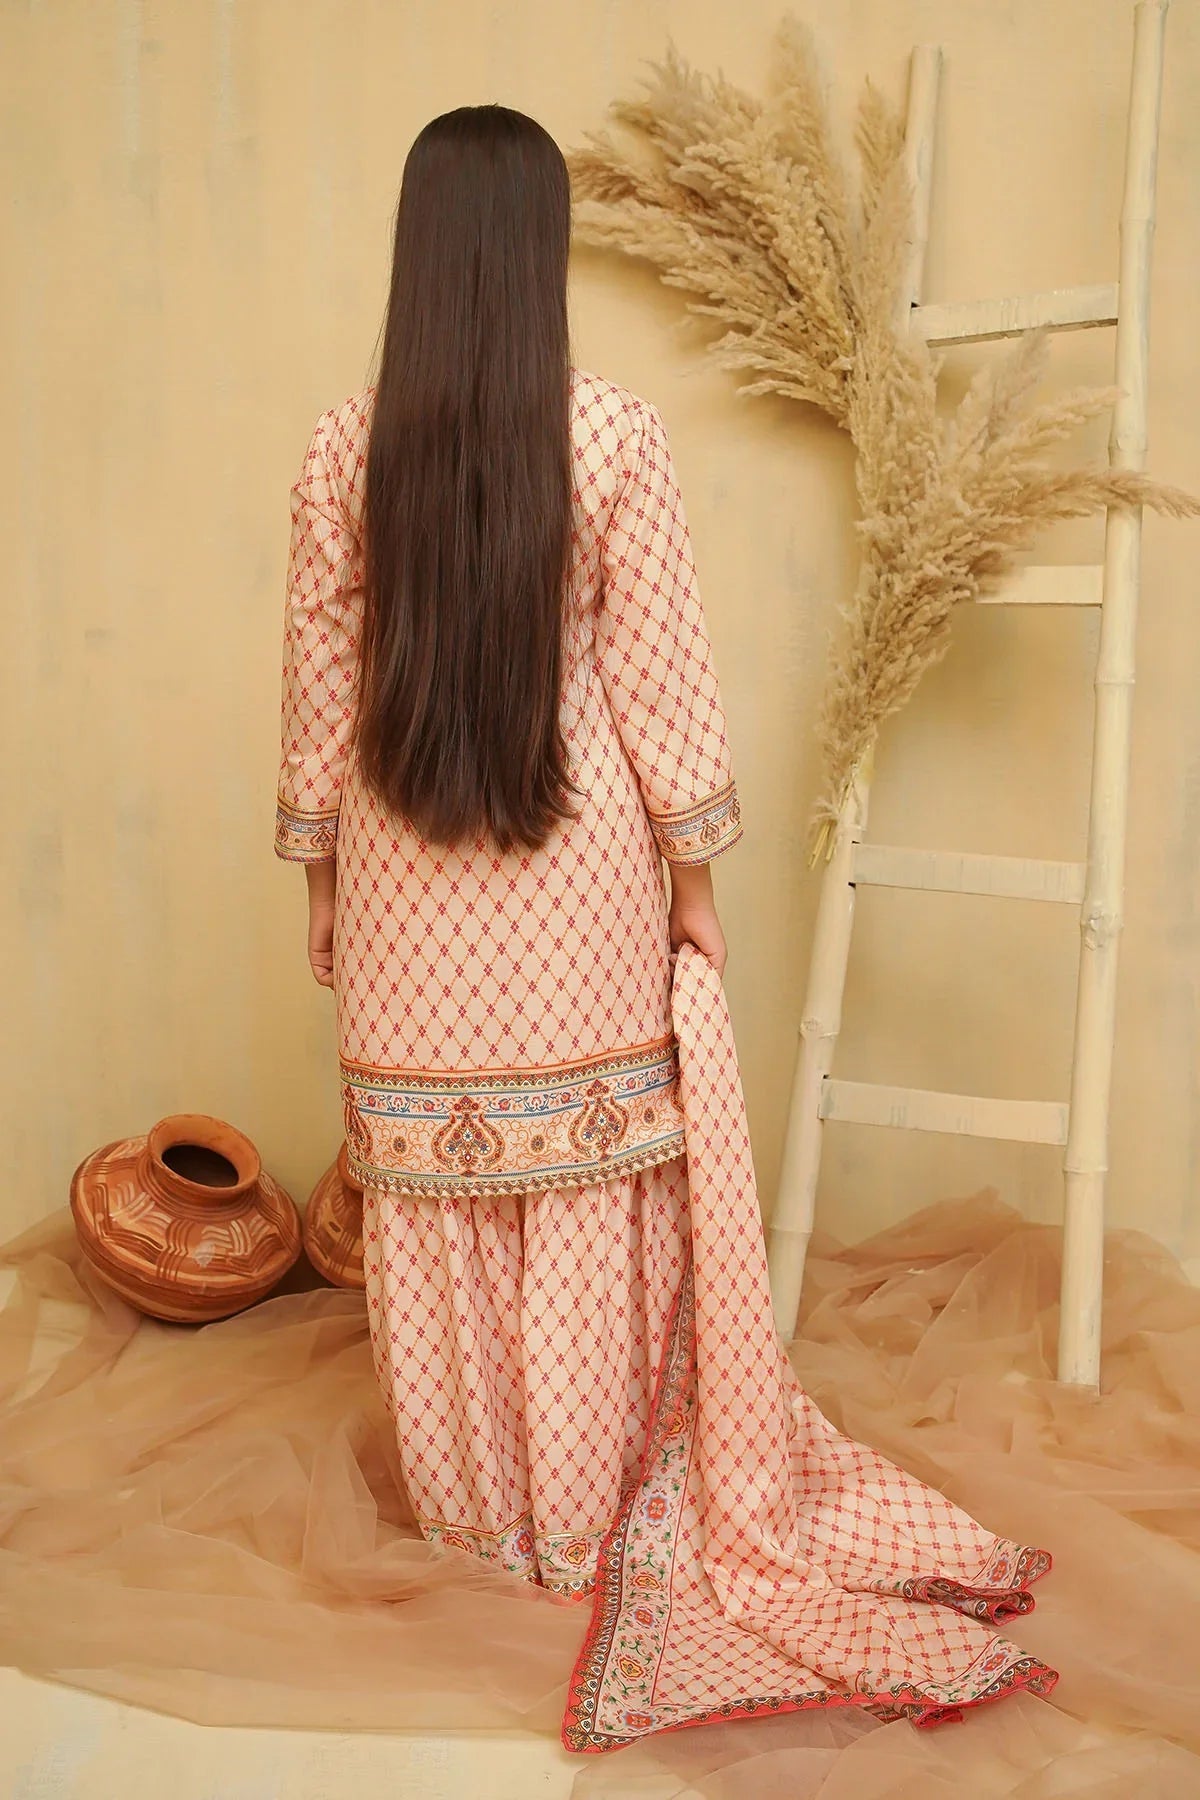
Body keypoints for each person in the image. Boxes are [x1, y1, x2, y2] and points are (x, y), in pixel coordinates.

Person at [275, 103, 1057, 1755]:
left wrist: (325, 884)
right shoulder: (615, 437)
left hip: (410, 898)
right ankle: (587, 1519)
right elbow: (661, 681)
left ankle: (478, 1528)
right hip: (574, 888)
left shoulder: (344, 451)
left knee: (437, 1208)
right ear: (536, 255)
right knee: (586, 1206)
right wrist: (695, 886)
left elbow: (320, 700)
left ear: (422, 255)